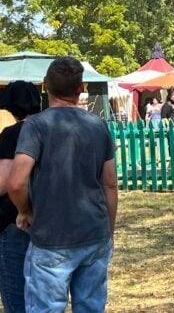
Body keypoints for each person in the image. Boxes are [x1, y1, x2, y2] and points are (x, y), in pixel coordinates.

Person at [7, 56, 118, 311]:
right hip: (94, 233)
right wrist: (108, 231)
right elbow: (110, 185)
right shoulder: (99, 125)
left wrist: (25, 211)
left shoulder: (36, 126)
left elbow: (16, 183)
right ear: (81, 88)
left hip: (50, 237)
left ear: (45, 85)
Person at [0, 81, 40, 312]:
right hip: (47, 216)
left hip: (14, 219)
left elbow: (5, 182)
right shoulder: (49, 130)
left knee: (16, 292)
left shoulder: (12, 134)